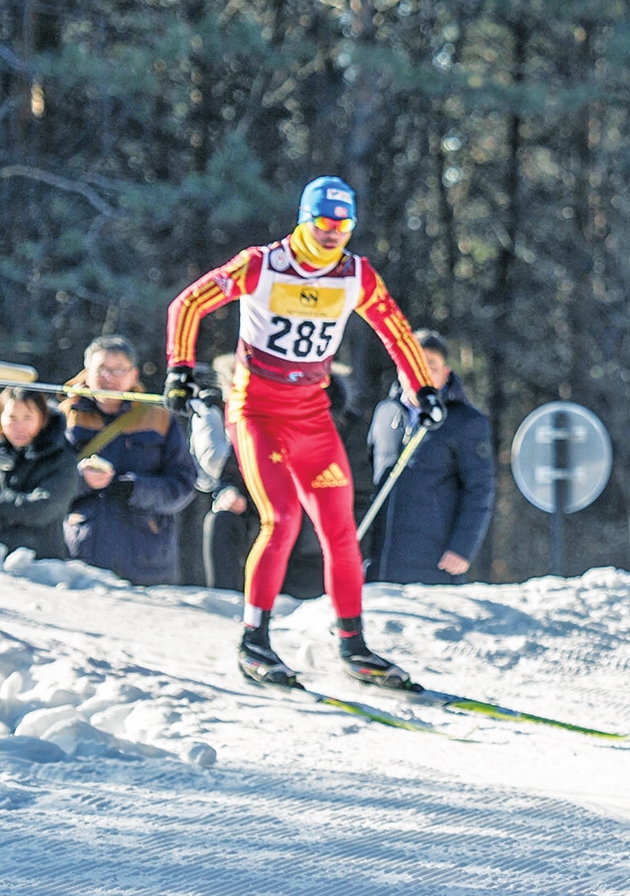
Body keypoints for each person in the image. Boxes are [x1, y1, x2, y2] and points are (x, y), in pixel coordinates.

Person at [163, 176, 442, 689]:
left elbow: (396, 331)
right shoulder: (261, 264)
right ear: (304, 219)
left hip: (311, 416)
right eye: (325, 223)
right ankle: (253, 640)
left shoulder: (355, 274)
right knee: (283, 520)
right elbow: (187, 305)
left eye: (344, 224)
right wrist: (179, 368)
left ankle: (353, 646)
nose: (335, 233)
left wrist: (423, 391)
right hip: (257, 411)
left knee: (341, 531)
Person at [62, 336, 198, 586]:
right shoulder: (64, 417)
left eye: (118, 370)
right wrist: (80, 480)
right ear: (87, 372)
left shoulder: (160, 418)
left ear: (134, 374)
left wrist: (136, 489)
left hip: (147, 558)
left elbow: (184, 485)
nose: (109, 377)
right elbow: (44, 479)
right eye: (101, 369)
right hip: (79, 554)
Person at [364, 330, 494, 585]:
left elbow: (480, 489)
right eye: (412, 365)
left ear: (445, 373)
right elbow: (365, 477)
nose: (420, 374)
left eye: (430, 367)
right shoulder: (384, 412)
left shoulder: (466, 421)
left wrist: (462, 548)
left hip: (434, 563)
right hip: (379, 563)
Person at [195, 355, 326, 598]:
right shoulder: (250, 416)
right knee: (220, 521)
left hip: (309, 539)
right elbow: (234, 467)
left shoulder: (329, 416)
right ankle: (226, 604)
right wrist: (231, 492)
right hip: (259, 522)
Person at [0, 387, 79, 558]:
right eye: (11, 418)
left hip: (39, 561)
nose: (19, 427)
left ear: (42, 419)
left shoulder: (62, 458)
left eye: (28, 418)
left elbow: (43, 510)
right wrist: (10, 519)